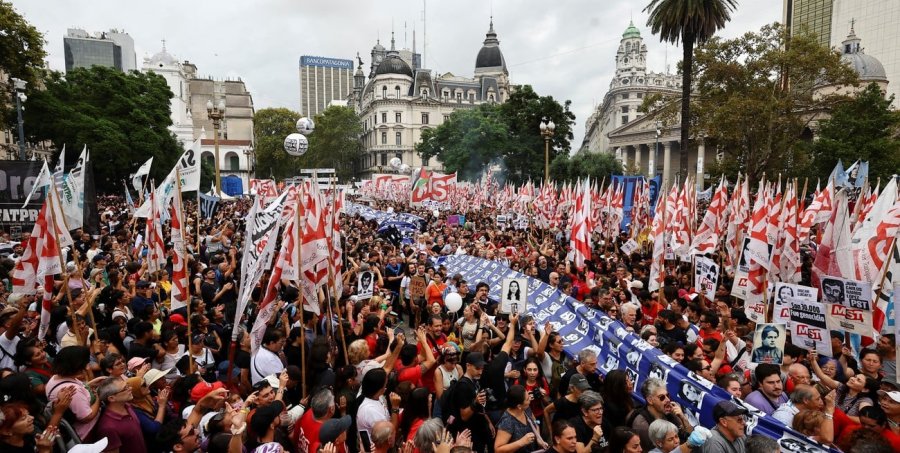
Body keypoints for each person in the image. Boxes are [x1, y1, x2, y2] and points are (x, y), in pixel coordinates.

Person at [629, 378, 693, 451]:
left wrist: (683, 418)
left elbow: (689, 435)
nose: (668, 400)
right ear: (650, 400)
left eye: (667, 395)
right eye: (662, 397)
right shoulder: (642, 424)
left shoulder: (670, 413)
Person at [94, 377, 148, 453]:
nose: (130, 388)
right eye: (125, 388)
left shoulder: (127, 406)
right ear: (112, 398)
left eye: (127, 385)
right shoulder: (108, 428)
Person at [494, 385, 548, 453]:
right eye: (527, 399)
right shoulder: (507, 422)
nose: (530, 399)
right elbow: (498, 450)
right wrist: (521, 442)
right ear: (519, 406)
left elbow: (535, 421)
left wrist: (539, 438)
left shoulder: (526, 408)